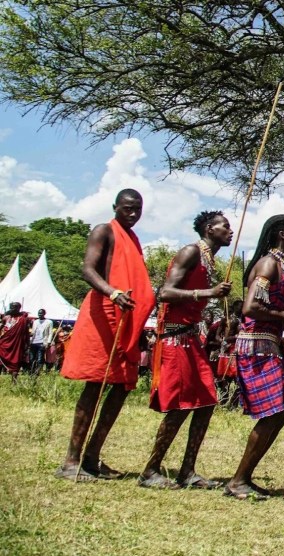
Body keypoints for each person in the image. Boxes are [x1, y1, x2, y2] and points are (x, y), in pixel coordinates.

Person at [56, 189, 156, 481]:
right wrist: (112, 292)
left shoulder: (134, 240)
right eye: (128, 209)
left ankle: (92, 457)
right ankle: (70, 461)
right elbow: (88, 269)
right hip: (105, 313)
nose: (133, 214)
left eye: (137, 209)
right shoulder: (104, 231)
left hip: (127, 317)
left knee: (123, 386)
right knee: (95, 386)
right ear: (115, 207)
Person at [138, 210, 233, 490]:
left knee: (206, 402)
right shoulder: (191, 252)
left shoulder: (208, 258)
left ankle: (187, 470)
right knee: (180, 406)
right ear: (208, 228)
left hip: (191, 339)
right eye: (224, 227)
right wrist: (206, 293)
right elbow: (164, 293)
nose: (229, 231)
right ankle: (150, 470)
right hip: (174, 337)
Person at [224, 214, 284, 500]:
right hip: (256, 345)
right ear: (282, 234)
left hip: (270, 343)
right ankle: (238, 480)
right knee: (275, 410)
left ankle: (244, 477)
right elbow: (250, 307)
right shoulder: (269, 264)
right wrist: (283, 315)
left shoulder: (280, 265)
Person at [0, 302, 32, 380]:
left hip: (17, 344)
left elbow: (26, 333)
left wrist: (27, 344)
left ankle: (14, 381)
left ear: (18, 308)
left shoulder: (23, 319)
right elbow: (1, 327)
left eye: (14, 307)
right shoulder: (6, 318)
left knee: (16, 362)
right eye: (11, 307)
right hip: (5, 343)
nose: (12, 309)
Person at [29, 309, 53, 373]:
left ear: (44, 314)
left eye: (41, 313)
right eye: (39, 313)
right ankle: (32, 370)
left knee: (40, 359)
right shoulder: (35, 321)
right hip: (33, 342)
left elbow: (50, 333)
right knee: (31, 358)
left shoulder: (49, 322)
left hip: (42, 342)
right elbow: (33, 331)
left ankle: (37, 371)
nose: (40, 315)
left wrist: (48, 342)